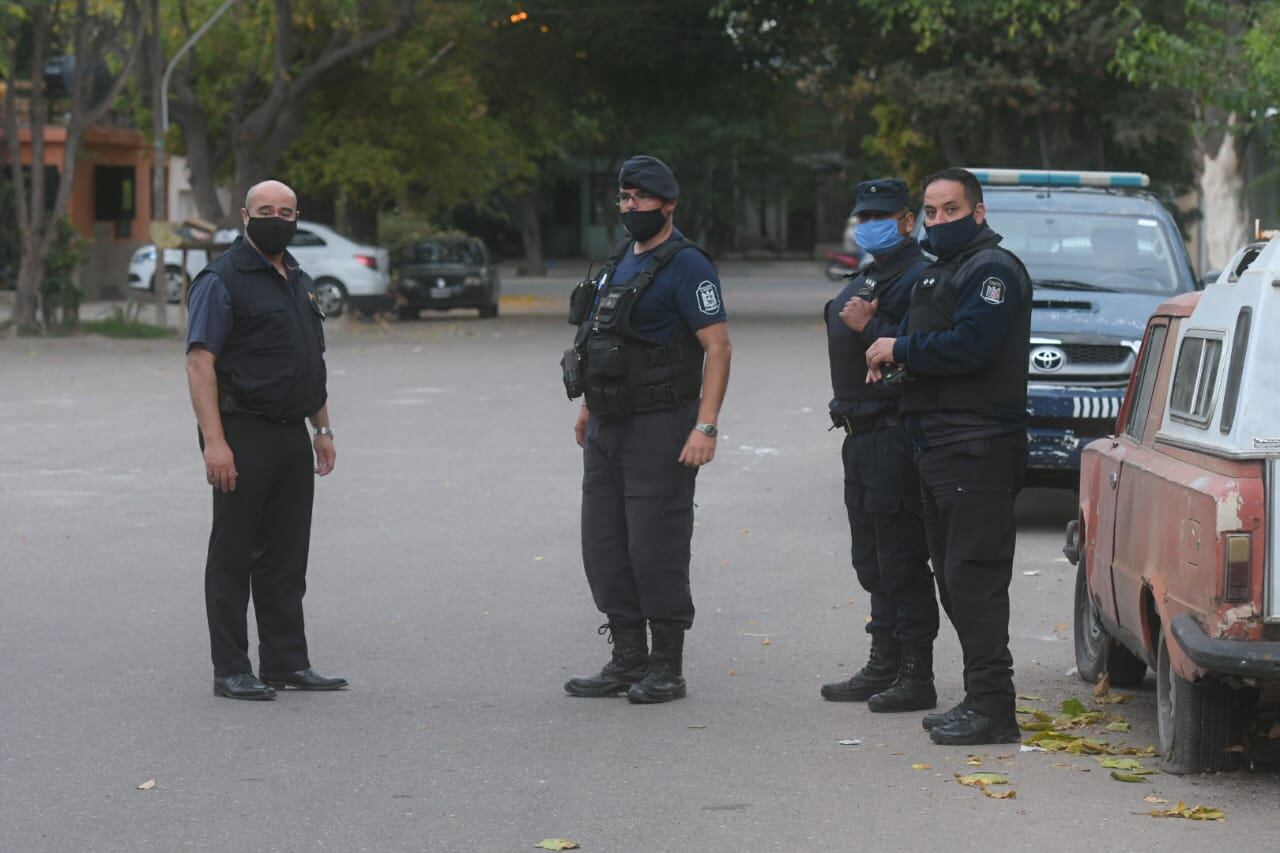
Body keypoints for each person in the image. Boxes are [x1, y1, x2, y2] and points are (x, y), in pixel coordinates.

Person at [865, 167, 1032, 745]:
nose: (938, 221)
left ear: (978, 213)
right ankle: (980, 699)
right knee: (955, 580)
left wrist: (900, 346)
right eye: (931, 212)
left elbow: (972, 347)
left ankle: (994, 708)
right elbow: (922, 346)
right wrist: (892, 358)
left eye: (950, 211)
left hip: (977, 444)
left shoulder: (994, 271)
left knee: (975, 578)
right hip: (939, 444)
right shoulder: (941, 271)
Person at [561, 155, 731, 704]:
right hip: (610, 423)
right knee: (604, 544)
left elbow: (718, 347)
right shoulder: (619, 259)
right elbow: (602, 335)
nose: (630, 207)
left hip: (661, 424)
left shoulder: (687, 265)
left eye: (641, 198)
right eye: (624, 198)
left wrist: (705, 425)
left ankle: (666, 666)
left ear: (669, 203)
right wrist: (589, 404)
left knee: (655, 544)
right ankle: (626, 658)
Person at [185, 179, 347, 701]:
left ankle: (285, 662)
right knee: (232, 555)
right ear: (244, 216)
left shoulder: (296, 277)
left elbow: (311, 359)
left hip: (291, 435)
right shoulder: (221, 279)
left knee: (285, 556)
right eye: (266, 210)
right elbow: (199, 362)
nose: (277, 217)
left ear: (297, 216)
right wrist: (215, 441)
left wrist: (320, 428)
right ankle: (230, 669)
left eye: (286, 210)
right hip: (242, 432)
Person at [820, 178, 939, 712]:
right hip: (859, 436)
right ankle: (883, 660)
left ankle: (916, 672)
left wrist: (871, 331)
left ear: (907, 221)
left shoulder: (921, 278)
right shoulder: (870, 274)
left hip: (895, 435)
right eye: (862, 213)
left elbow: (913, 355)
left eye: (881, 214)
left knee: (901, 558)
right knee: (871, 558)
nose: (870, 223)